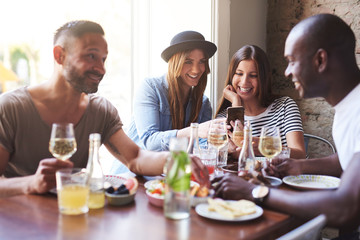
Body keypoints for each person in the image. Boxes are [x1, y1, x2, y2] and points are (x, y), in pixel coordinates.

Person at [0, 20, 208, 198]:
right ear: (59, 56)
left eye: (103, 59)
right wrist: (30, 183)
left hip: (77, 215)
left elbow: (135, 158)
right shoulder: (9, 107)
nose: (101, 69)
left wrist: (175, 158)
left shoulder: (100, 110)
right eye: (91, 56)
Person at [212, 14, 360, 237]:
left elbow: (345, 208)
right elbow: (346, 161)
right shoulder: (348, 107)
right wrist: (296, 166)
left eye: (292, 60)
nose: (287, 72)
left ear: (320, 60)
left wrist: (255, 191)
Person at [111, 30, 217, 174]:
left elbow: (202, 148)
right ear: (175, 62)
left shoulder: (203, 103)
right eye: (188, 61)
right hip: (133, 176)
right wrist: (194, 131)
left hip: (171, 176)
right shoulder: (150, 88)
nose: (196, 69)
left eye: (202, 62)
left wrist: (221, 146)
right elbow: (149, 142)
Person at [215, 45, 306, 159]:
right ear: (231, 76)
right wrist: (236, 103)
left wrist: (262, 147)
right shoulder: (223, 117)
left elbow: (300, 154)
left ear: (263, 78)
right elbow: (225, 156)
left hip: (280, 176)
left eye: (253, 75)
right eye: (239, 73)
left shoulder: (285, 106)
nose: (244, 82)